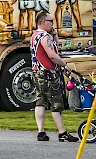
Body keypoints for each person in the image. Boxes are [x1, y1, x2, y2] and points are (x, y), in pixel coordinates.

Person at [31, 13, 77, 143]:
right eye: (51, 21)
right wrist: (64, 65)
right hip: (48, 73)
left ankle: (41, 131)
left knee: (40, 100)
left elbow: (55, 48)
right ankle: (62, 132)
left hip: (37, 71)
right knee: (56, 102)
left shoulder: (35, 36)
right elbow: (52, 55)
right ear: (44, 21)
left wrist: (55, 34)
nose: (53, 24)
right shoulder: (45, 37)